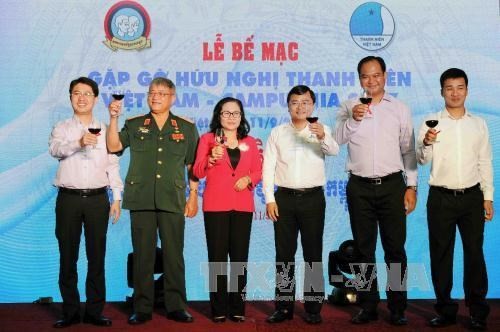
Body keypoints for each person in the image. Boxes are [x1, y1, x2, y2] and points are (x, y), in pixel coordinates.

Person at [107, 77, 199, 324]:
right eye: (152, 93)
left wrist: (193, 196)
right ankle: (142, 307)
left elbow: (192, 165)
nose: (155, 97)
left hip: (173, 197)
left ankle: (176, 305)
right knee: (143, 255)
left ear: (172, 97)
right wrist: (113, 118)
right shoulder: (135, 124)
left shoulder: (186, 128)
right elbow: (113, 145)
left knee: (173, 255)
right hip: (141, 197)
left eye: (161, 93)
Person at [335, 56, 417, 326]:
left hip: (393, 186)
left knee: (395, 250)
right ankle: (368, 305)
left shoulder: (400, 109)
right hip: (359, 187)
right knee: (363, 250)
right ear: (359, 79)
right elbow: (335, 142)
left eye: (376, 75)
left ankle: (397, 308)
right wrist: (354, 120)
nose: (371, 81)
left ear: (385, 75)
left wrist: (412, 186)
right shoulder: (348, 107)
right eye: (365, 77)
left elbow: (408, 149)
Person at [416, 68, 493, 330]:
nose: (455, 93)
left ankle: (478, 311)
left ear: (467, 90)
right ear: (442, 92)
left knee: (474, 254)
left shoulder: (478, 124)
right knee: (441, 255)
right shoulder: (430, 122)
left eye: (460, 87)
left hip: (472, 196)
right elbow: (421, 159)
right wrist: (426, 143)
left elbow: (485, 161)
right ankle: (445, 310)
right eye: (449, 88)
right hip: (440, 198)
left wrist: (488, 196)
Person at [49, 77, 122, 328]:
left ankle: (94, 311)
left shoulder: (104, 128)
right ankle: (69, 312)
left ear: (95, 98)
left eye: (87, 94)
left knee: (96, 257)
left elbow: (113, 165)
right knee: (67, 257)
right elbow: (55, 150)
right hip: (68, 200)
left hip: (97, 199)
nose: (82, 98)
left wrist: (117, 198)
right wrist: (79, 143)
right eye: (76, 93)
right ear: (70, 97)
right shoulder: (62, 127)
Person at [263, 85, 339, 325]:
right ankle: (283, 307)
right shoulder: (278, 132)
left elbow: (334, 151)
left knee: (313, 254)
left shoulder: (321, 129)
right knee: (284, 255)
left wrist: (322, 136)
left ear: (313, 105)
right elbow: (268, 167)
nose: (300, 106)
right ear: (288, 106)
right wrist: (269, 199)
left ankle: (314, 307)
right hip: (283, 198)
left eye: (305, 102)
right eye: (295, 102)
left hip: (313, 199)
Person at [193, 97, 262, 323]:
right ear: (218, 115)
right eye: (226, 113)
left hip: (242, 205)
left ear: (241, 117)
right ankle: (218, 308)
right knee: (217, 259)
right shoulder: (207, 139)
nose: (231, 117)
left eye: (236, 113)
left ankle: (238, 307)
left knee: (240, 258)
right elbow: (197, 171)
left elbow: (258, 171)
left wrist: (248, 180)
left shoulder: (250, 142)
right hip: (215, 206)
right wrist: (211, 159)